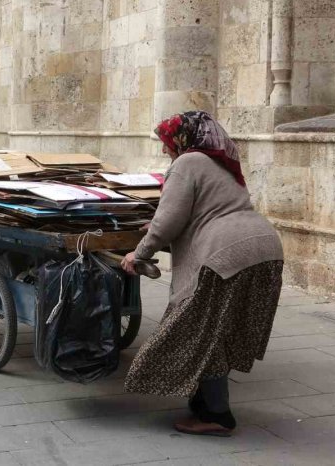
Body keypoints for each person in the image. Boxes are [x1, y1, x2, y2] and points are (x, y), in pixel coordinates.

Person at [120, 111, 284, 438]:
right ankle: (204, 404)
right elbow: (201, 209)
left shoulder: (187, 162)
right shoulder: (218, 163)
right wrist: (157, 227)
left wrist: (138, 254)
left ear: (181, 140)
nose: (166, 150)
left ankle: (218, 416)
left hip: (226, 255)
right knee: (216, 331)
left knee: (200, 331)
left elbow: (168, 222)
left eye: (167, 143)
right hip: (265, 249)